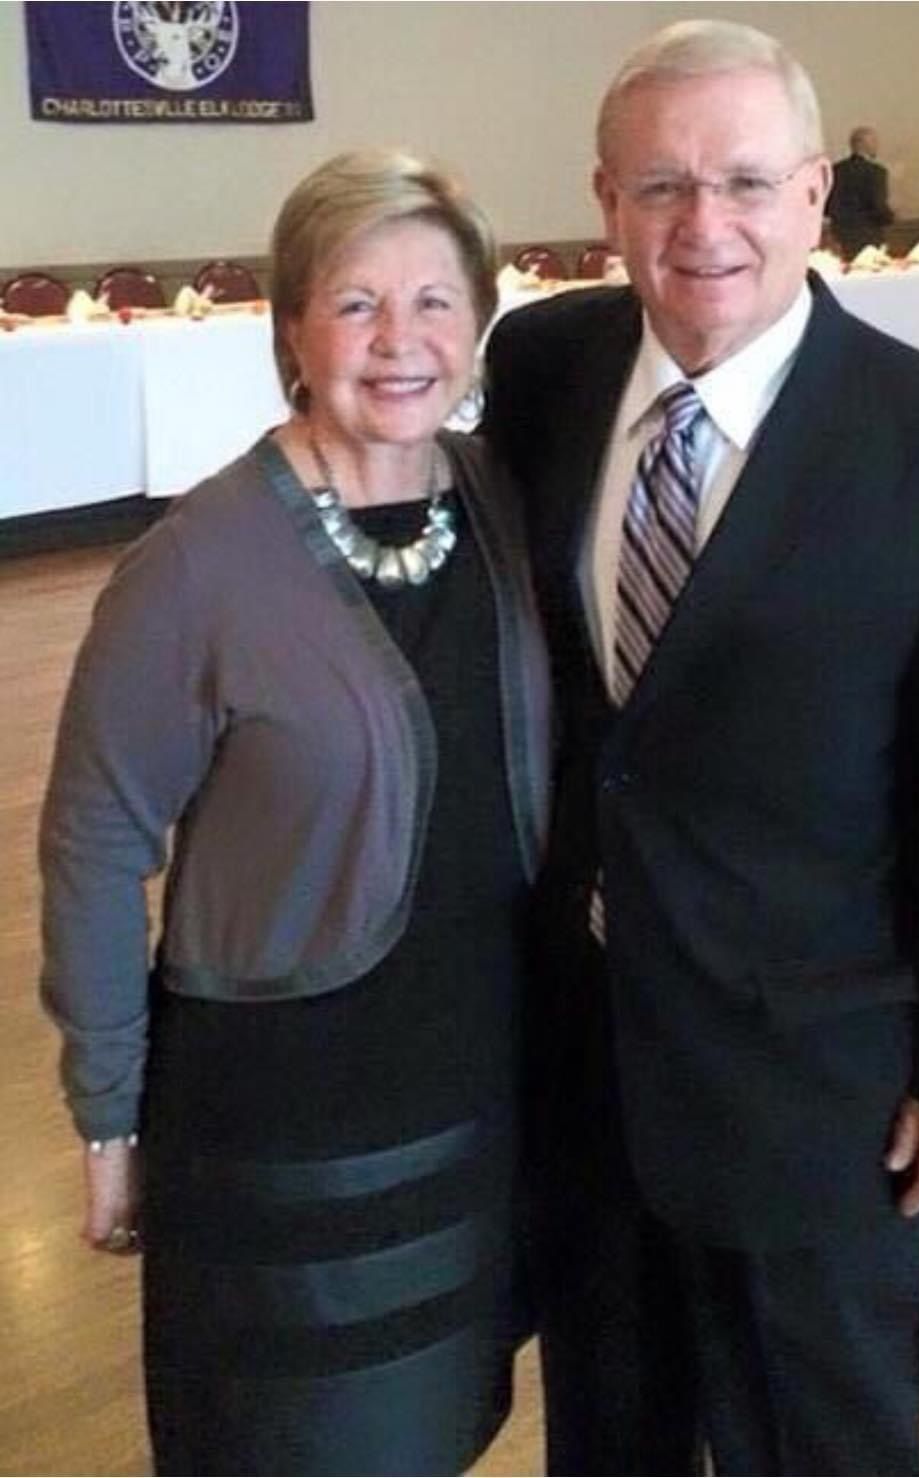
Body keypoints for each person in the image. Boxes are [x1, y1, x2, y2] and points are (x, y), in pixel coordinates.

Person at [485, 19, 919, 1477]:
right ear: (607, 198)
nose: (707, 227)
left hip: (821, 1092)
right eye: (664, 187)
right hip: (589, 1055)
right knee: (609, 1434)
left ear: (815, 194)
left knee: (825, 1439)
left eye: (746, 183)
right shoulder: (543, 366)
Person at [39, 149, 551, 1476]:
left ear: (478, 325)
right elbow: (95, 838)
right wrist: (109, 1109)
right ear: (290, 329)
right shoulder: (193, 566)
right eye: (357, 303)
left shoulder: (495, 500)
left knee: (436, 1424)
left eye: (435, 302)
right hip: (282, 1124)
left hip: (472, 1085)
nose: (401, 342)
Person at [826, 123, 894, 258]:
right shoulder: (876, 172)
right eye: (874, 142)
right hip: (868, 237)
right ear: (865, 145)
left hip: (839, 236)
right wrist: (890, 217)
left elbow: (827, 206)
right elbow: (878, 206)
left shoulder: (835, 171)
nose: (877, 146)